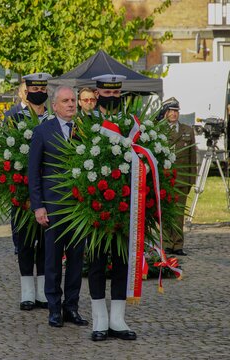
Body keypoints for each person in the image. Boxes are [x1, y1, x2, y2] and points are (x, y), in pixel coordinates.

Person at [28, 85, 88, 328]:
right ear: (55, 105)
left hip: (79, 208)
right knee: (52, 260)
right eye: (66, 101)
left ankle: (71, 307)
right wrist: (38, 206)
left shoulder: (86, 131)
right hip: (52, 207)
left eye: (73, 100)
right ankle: (54, 308)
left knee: (76, 260)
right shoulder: (43, 131)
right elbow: (34, 172)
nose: (71, 104)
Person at [88, 74, 136, 342]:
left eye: (117, 94)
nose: (113, 98)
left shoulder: (129, 123)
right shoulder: (86, 123)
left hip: (125, 203)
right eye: (108, 94)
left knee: (121, 262)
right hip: (94, 205)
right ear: (98, 94)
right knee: (96, 263)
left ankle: (118, 319)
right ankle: (100, 320)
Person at [9, 73, 52, 311]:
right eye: (34, 87)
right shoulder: (14, 118)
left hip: (49, 191)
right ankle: (27, 291)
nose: (38, 91)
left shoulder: (53, 118)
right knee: (25, 242)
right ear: (26, 91)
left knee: (46, 243)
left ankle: (43, 292)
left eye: (42, 87)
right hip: (23, 190)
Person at [162, 97, 197, 256]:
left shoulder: (187, 130)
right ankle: (167, 243)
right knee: (166, 213)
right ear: (165, 113)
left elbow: (192, 158)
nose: (174, 114)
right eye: (171, 111)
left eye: (176, 111)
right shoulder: (159, 131)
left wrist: (191, 180)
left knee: (179, 214)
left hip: (182, 179)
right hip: (165, 179)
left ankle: (178, 244)